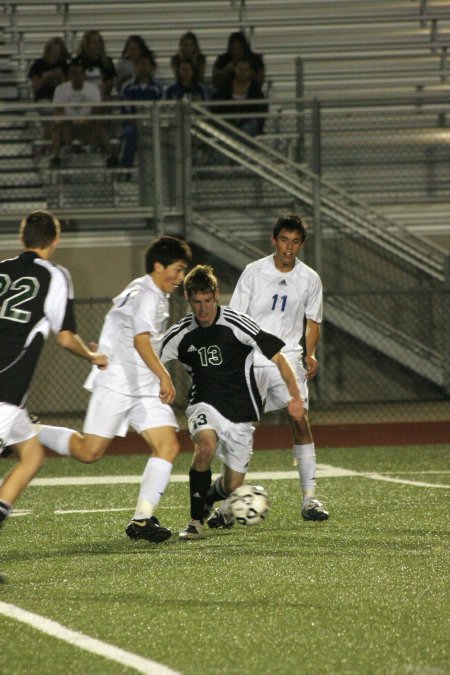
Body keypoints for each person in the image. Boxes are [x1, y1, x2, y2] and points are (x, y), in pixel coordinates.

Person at [36, 236, 192, 543]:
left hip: (142, 384)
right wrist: (165, 376)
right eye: (177, 269)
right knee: (88, 452)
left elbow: (118, 322)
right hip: (119, 383)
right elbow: (141, 340)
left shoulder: (145, 289)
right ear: (158, 266)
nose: (180, 277)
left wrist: (106, 346)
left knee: (168, 446)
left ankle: (142, 521)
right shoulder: (147, 294)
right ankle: (30, 430)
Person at [159, 264, 304, 540]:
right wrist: (107, 355)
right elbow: (148, 357)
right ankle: (195, 520)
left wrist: (294, 395)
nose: (203, 309)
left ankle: (212, 496)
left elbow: (279, 357)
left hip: (240, 410)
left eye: (207, 301)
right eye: (196, 302)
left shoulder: (236, 322)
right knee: (205, 446)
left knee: (232, 484)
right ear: (188, 299)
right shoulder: (180, 333)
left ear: (216, 295)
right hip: (204, 403)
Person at [0, 210, 107, 535]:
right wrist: (91, 355)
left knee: (32, 456)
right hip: (3, 391)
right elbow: (64, 336)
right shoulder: (53, 275)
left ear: (22, 238)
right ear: (56, 240)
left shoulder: (1, 269)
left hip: (13, 403)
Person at [229, 213, 329, 522]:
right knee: (239, 429)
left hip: (289, 358)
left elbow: (313, 321)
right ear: (274, 241)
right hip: (254, 359)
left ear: (301, 244)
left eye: (295, 242)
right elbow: (235, 318)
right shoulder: (253, 272)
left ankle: (310, 499)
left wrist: (310, 353)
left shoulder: (310, 278)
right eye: (284, 240)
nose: (289, 247)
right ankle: (227, 502)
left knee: (299, 419)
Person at [49, 56, 118, 168]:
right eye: (74, 73)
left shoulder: (93, 89)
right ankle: (54, 157)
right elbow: (58, 111)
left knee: (100, 125)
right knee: (57, 125)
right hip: (68, 126)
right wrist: (72, 120)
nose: (77, 76)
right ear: (70, 75)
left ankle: (110, 156)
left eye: (80, 73)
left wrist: (86, 120)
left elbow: (97, 112)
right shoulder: (60, 89)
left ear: (84, 75)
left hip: (88, 126)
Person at [119, 51, 163, 167]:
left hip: (153, 124)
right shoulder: (127, 87)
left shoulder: (157, 88)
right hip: (132, 124)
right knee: (129, 134)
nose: (143, 67)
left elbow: (161, 108)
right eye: (141, 64)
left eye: (146, 64)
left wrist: (150, 122)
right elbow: (126, 109)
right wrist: (136, 121)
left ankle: (158, 169)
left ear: (151, 67)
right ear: (135, 66)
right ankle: (126, 169)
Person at [211, 56, 268, 136]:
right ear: (235, 69)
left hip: (248, 122)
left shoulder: (255, 88)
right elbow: (217, 104)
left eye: (246, 70)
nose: (243, 73)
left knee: (247, 129)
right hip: (227, 121)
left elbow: (261, 109)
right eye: (240, 69)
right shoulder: (225, 85)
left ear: (250, 72)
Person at [28, 37, 69, 104]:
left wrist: (61, 77)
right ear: (47, 51)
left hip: (61, 98)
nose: (54, 56)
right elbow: (35, 87)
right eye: (52, 52)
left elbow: (69, 88)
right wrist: (45, 77)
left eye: (57, 53)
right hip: (43, 98)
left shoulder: (63, 65)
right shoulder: (38, 64)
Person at [77, 29, 116, 99]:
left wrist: (105, 86)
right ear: (87, 44)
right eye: (94, 43)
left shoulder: (107, 61)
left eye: (99, 42)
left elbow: (110, 82)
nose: (98, 45)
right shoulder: (78, 61)